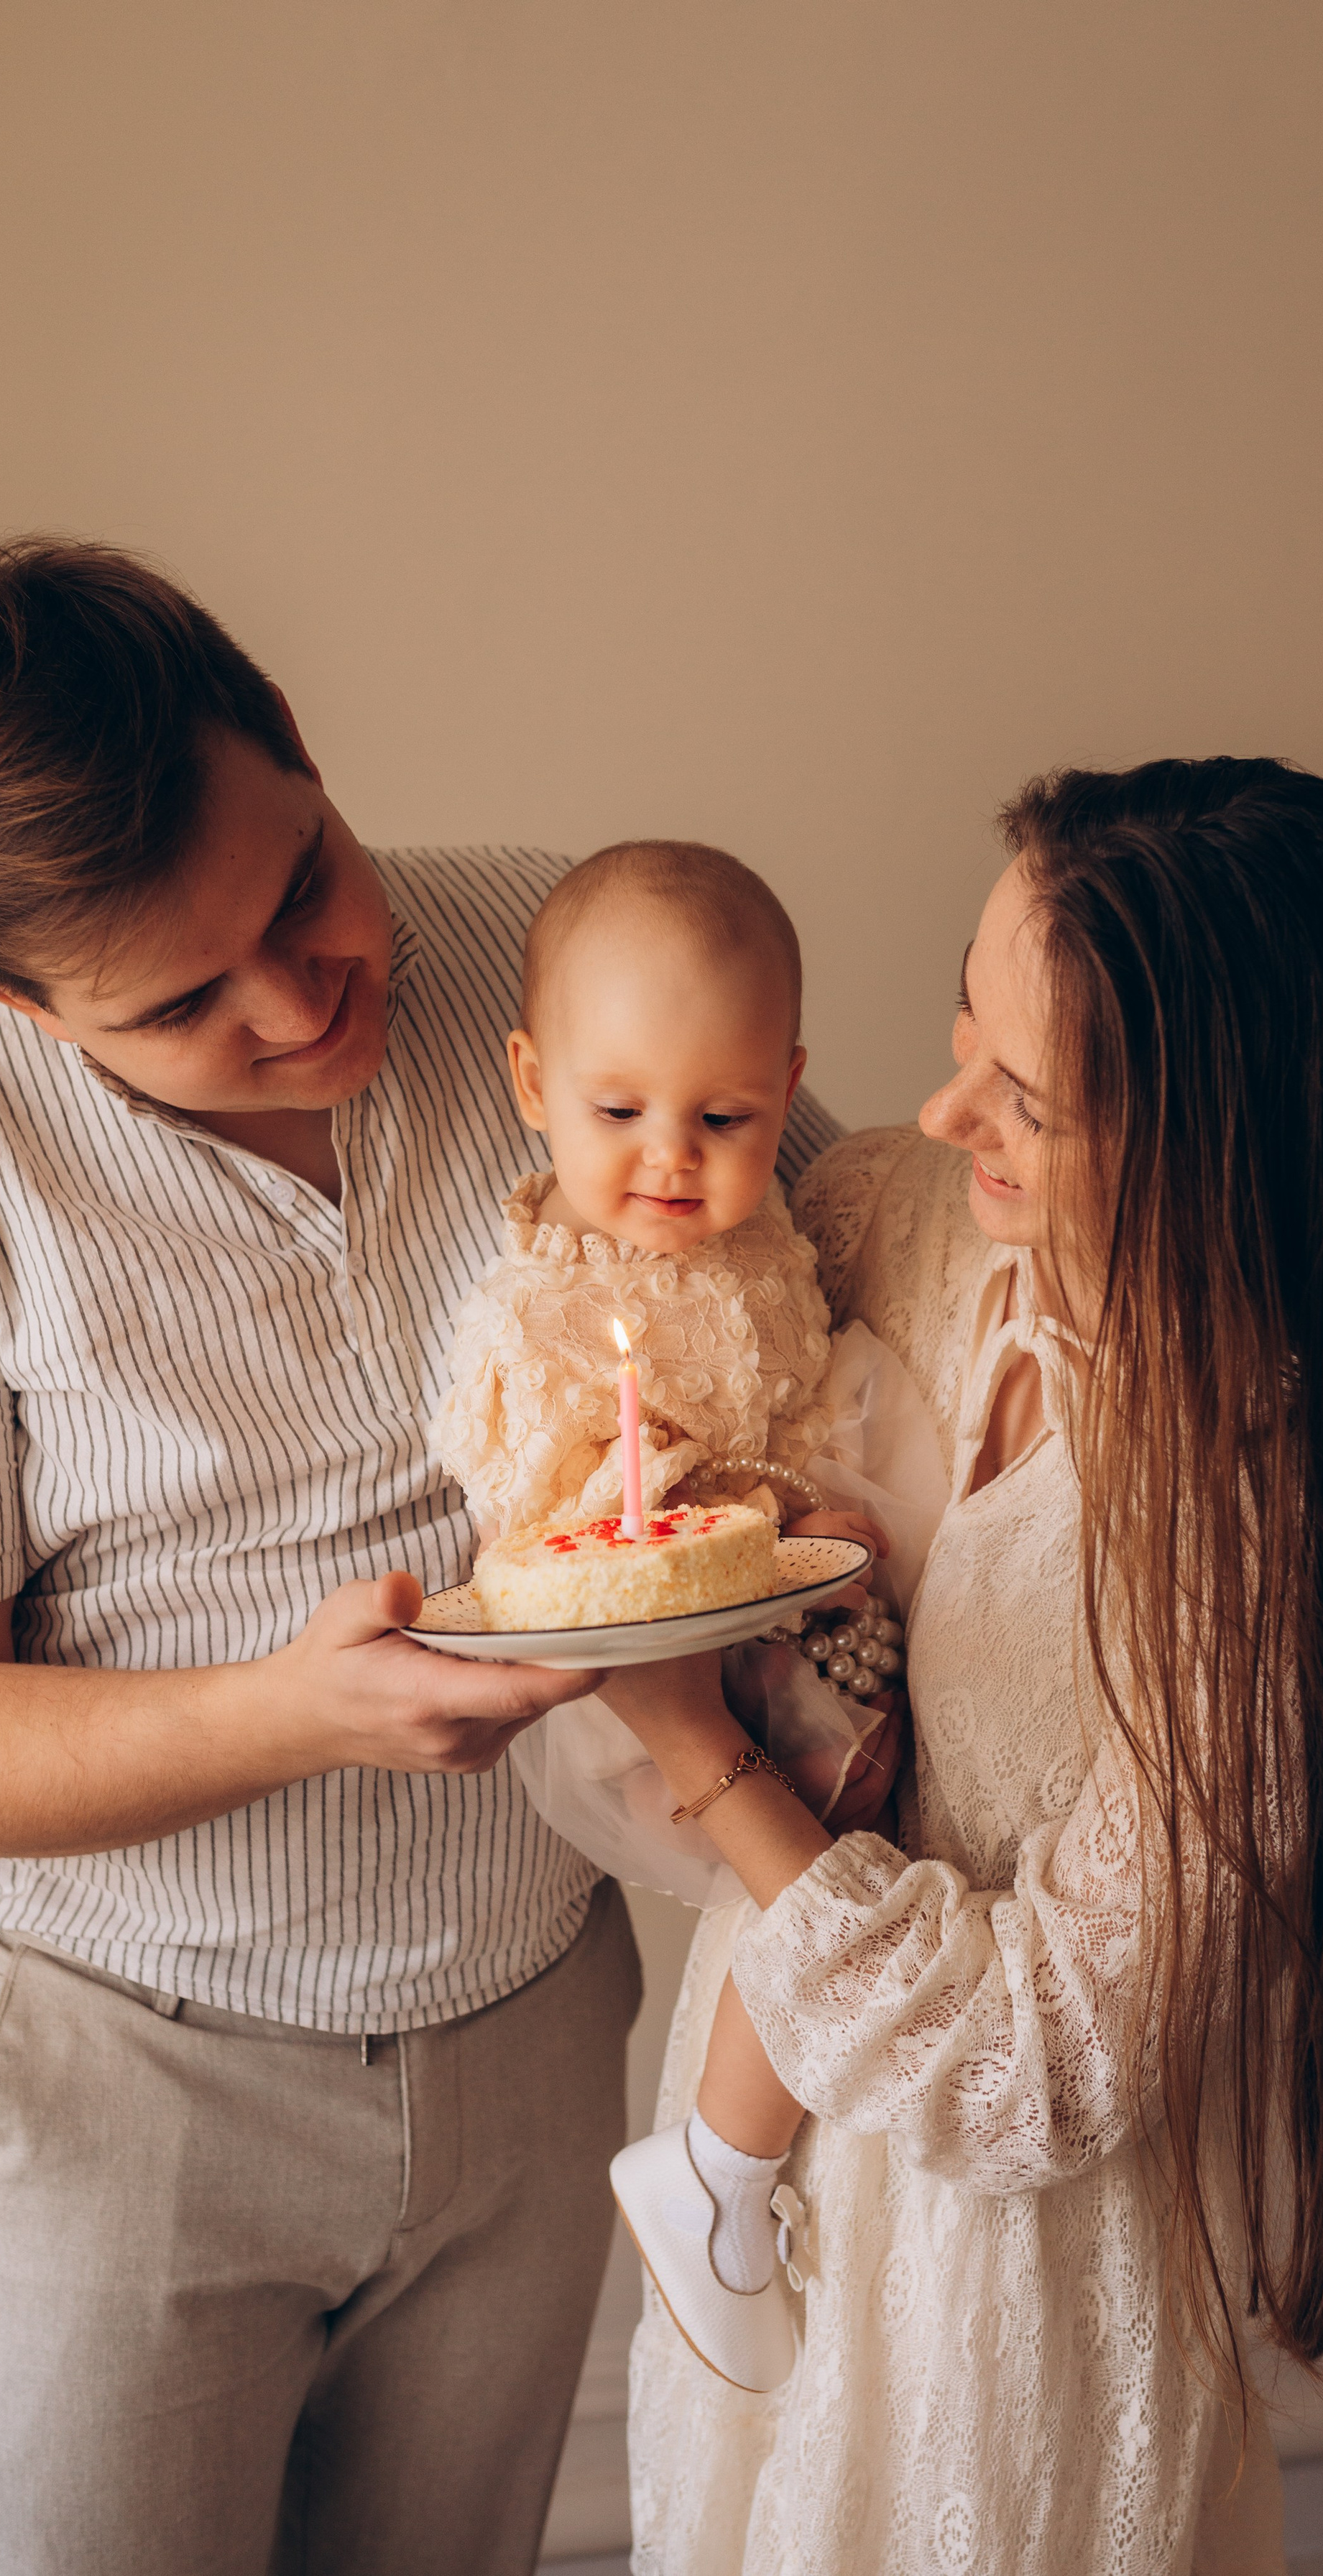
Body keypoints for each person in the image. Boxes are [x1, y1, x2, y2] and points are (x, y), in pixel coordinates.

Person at [0, 535, 841, 2576]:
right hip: (126, 2083)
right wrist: (294, 1714)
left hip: (536, 2029)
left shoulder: (546, 953)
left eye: (303, 885)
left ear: (298, 747)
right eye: (183, 1003)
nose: (303, 997)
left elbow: (850, 1244)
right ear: (11, 997)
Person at [600, 759, 1323, 2576]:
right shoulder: (887, 1217)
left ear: (1207, 1139)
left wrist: (706, 1759)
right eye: (961, 1016)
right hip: (759, 2196)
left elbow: (1047, 2059)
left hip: (1004, 2304)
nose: (939, 1109)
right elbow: (639, 1327)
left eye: (1025, 1097)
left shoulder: (1258, 1522)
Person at [430, 839, 926, 2393]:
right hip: (627, 1669)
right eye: (617, 1110)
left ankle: (736, 2155)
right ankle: (716, 2162)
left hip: (772, 1606)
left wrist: (815, 1505)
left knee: (873, 1841)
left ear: (787, 1086)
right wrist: (748, 1516)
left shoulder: (772, 1240)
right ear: (530, 1080)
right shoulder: (540, 1304)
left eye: (724, 1118)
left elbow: (800, 1395)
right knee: (838, 1852)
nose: (669, 1157)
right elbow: (542, 1507)